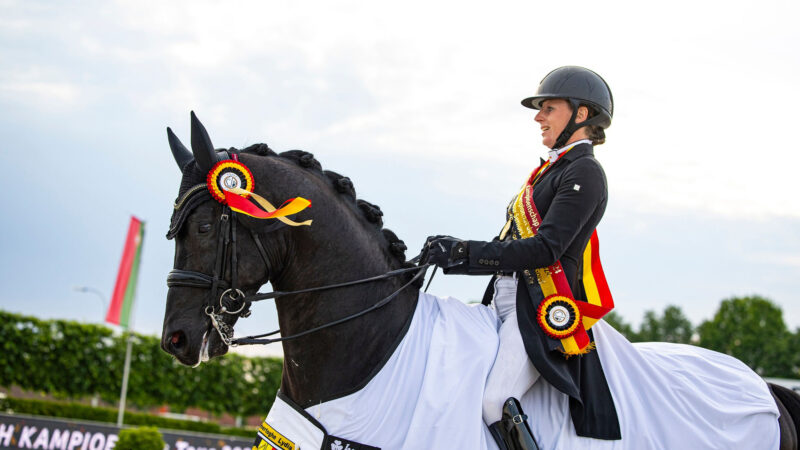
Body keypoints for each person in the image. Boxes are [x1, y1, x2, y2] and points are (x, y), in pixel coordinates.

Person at [422, 66, 620, 450]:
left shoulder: (585, 171)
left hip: (536, 310)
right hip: (502, 300)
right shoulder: (550, 171)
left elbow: (545, 250)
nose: (538, 116)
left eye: (548, 107)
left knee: (495, 401)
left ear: (581, 114)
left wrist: (462, 253)